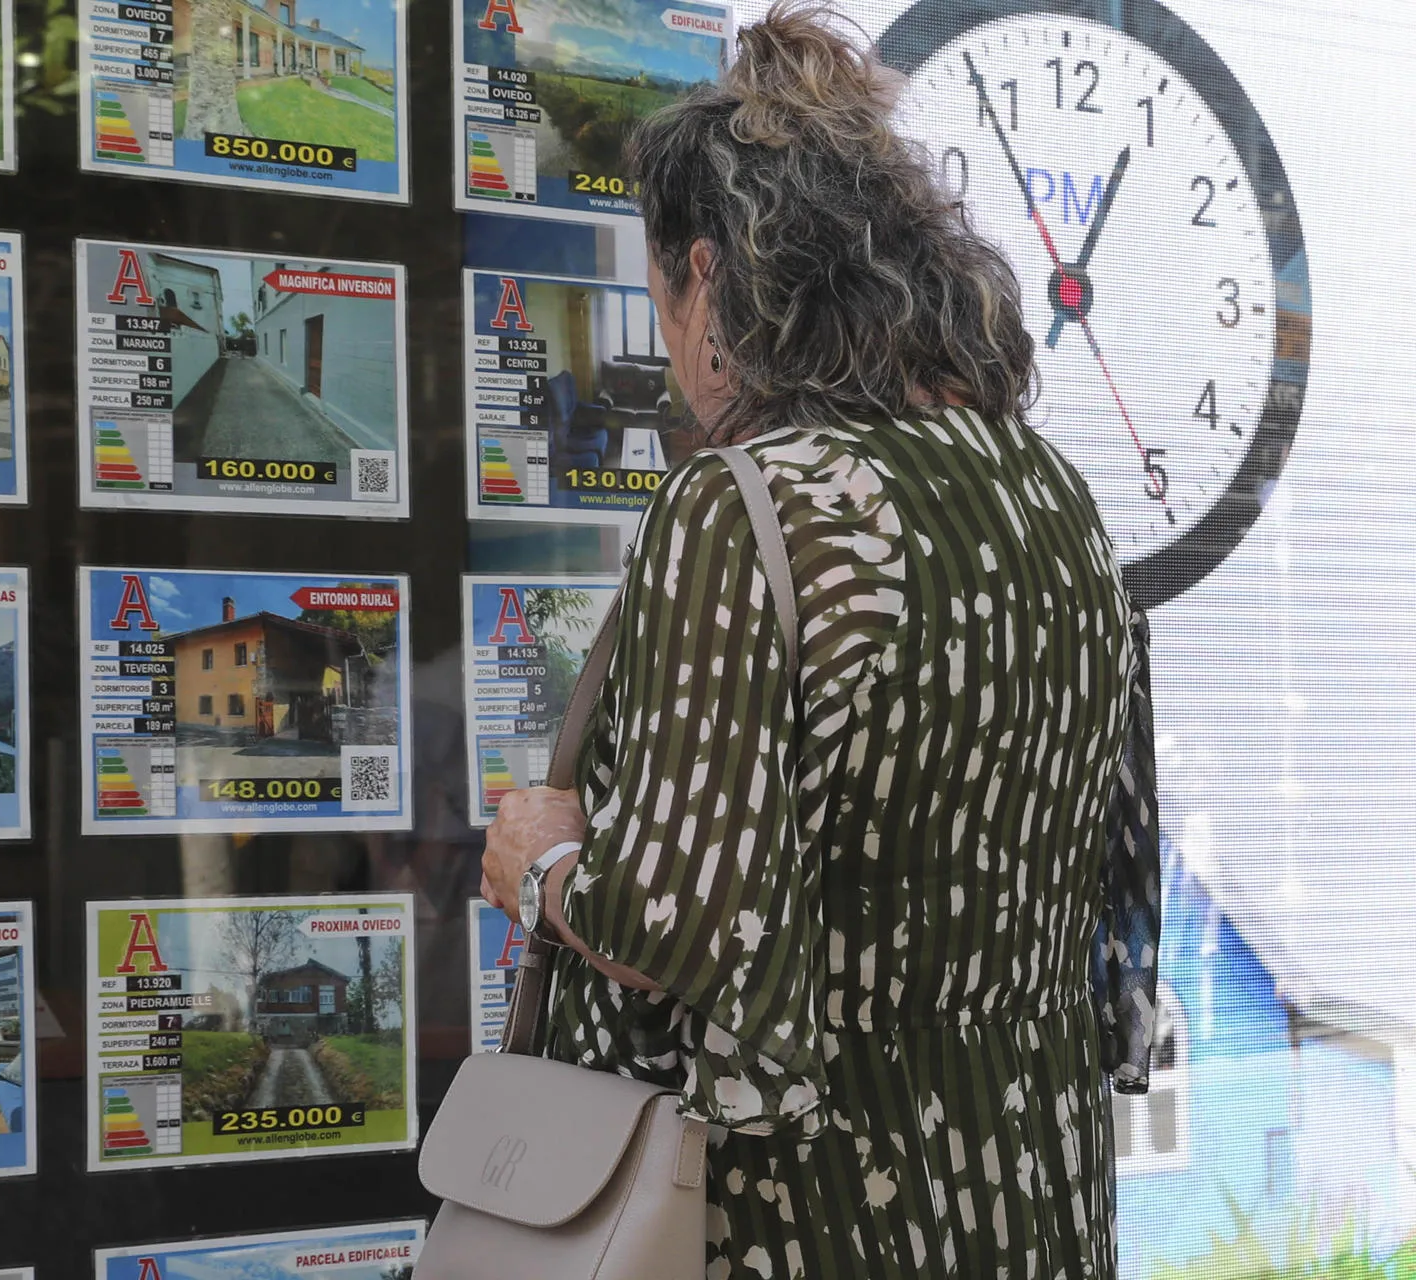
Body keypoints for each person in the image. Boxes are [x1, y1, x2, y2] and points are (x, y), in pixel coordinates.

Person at [478, 4, 1161, 1276]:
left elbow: (681, 925)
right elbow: (1114, 882)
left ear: (714, 282)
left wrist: (542, 859)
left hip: (816, 1205)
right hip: (1032, 1191)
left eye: (662, 300)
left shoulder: (743, 506)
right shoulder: (1052, 492)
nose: (674, 351)